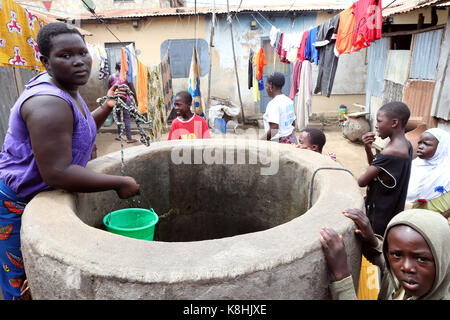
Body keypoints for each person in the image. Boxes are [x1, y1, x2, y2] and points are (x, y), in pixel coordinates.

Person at [0, 23, 140, 300]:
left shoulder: (67, 89)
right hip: (16, 202)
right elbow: (57, 173)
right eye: (65, 55)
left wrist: (106, 107)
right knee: (23, 282)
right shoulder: (47, 103)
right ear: (45, 61)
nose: (78, 61)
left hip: (36, 193)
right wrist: (120, 182)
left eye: (82, 53)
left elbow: (80, 130)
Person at [319, 208, 450, 300]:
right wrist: (373, 242)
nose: (406, 267)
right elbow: (390, 270)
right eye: (397, 255)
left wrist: (342, 276)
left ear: (443, 259)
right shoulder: (415, 282)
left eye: (421, 259)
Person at [359, 102, 412, 236]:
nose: (376, 125)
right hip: (391, 209)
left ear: (394, 123)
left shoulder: (391, 152)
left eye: (379, 121)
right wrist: (368, 149)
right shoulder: (406, 145)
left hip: (379, 213)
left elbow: (362, 181)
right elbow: (378, 170)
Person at [406, 128, 450, 222]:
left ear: (441, 148)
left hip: (441, 222)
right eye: (420, 143)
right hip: (416, 219)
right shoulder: (415, 165)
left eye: (426, 144)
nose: (420, 146)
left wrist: (440, 219)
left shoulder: (447, 171)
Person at [262, 72, 298, 144]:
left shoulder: (273, 104)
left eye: (266, 85)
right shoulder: (288, 100)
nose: (266, 89)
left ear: (271, 86)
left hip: (280, 143)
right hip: (292, 139)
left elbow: (274, 129)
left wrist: (260, 141)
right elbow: (293, 123)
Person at [108, 62, 138, 144]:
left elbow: (110, 91)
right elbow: (132, 90)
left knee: (118, 118)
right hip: (126, 100)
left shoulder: (111, 77)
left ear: (115, 68)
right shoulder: (126, 78)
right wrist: (136, 101)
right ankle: (129, 138)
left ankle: (120, 136)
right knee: (127, 119)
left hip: (116, 101)